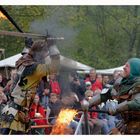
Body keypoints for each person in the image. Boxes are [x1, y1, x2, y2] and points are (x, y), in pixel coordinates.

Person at [1, 39, 60, 134]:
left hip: (12, 109)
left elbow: (26, 55)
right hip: (17, 114)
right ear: (40, 54)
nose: (46, 57)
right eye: (46, 54)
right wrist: (53, 47)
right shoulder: (36, 69)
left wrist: (29, 47)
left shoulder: (22, 63)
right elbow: (55, 67)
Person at [82, 58, 140, 134]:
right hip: (127, 123)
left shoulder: (138, 86)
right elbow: (104, 96)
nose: (124, 67)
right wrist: (88, 104)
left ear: (134, 70)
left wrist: (116, 108)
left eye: (127, 66)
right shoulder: (121, 84)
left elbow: (137, 103)